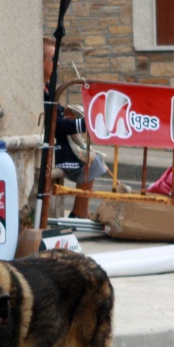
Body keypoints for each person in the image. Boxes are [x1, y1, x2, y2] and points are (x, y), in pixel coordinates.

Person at [43, 37, 106, 219]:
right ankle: (80, 212)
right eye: (53, 59)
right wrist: (83, 124)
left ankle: (80, 210)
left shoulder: (48, 88)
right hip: (53, 148)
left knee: (94, 157)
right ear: (40, 62)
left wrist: (68, 111)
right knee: (92, 161)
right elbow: (54, 123)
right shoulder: (39, 91)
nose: (58, 64)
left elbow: (57, 112)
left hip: (58, 144)